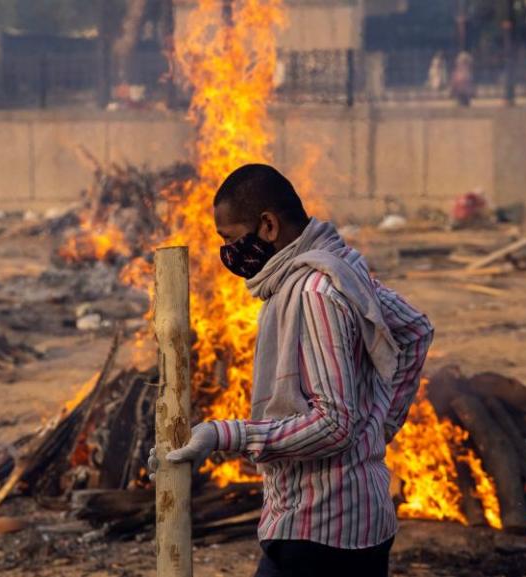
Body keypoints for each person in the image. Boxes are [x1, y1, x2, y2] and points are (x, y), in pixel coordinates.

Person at [164, 163, 434, 577]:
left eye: (231, 239)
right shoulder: (339, 265)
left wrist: (224, 435)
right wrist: (380, 423)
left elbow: (334, 424)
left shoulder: (313, 292)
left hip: (321, 526)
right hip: (357, 519)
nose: (230, 254)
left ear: (268, 226)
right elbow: (415, 330)